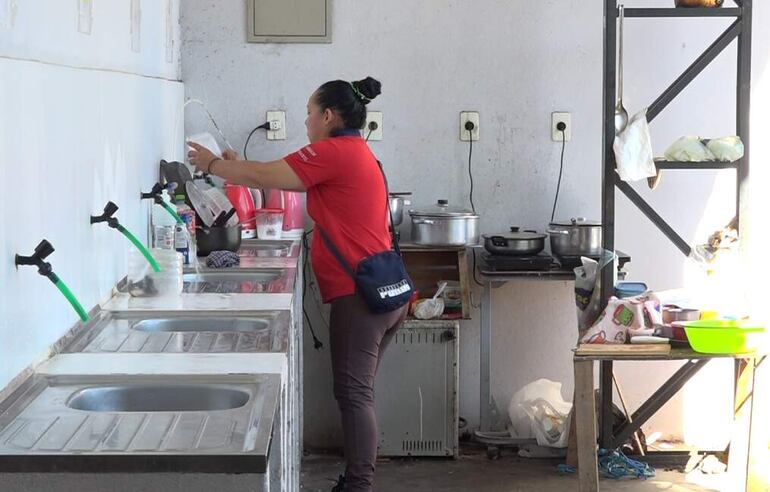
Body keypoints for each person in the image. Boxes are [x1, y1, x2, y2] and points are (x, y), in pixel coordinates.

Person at [188, 76, 407, 492]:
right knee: (357, 393)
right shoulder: (356, 151)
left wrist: (214, 165)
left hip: (359, 297)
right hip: (383, 292)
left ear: (328, 116)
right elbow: (273, 176)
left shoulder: (333, 152)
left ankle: (358, 486)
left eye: (309, 113)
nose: (305, 121)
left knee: (354, 395)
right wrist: (235, 164)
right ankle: (356, 481)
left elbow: (269, 173)